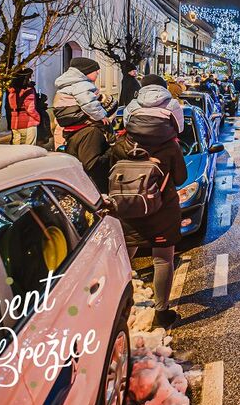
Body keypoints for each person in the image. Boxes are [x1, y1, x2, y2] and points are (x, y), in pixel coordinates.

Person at [112, 74, 187, 329]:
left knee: (124, 257)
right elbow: (181, 177)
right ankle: (162, 312)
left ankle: (115, 307)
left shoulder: (123, 144)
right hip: (162, 208)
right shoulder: (170, 146)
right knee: (163, 259)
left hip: (128, 206)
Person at [53, 57, 113, 149]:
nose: (98, 73)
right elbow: (89, 103)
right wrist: (101, 116)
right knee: (105, 124)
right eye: (95, 70)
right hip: (75, 115)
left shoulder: (70, 84)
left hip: (65, 117)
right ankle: (111, 142)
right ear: (86, 71)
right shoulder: (82, 85)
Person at [7, 69, 41, 145]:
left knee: (16, 148)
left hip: (15, 122)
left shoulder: (12, 92)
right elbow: (30, 109)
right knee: (29, 148)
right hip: (28, 122)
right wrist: (37, 117)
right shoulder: (28, 91)